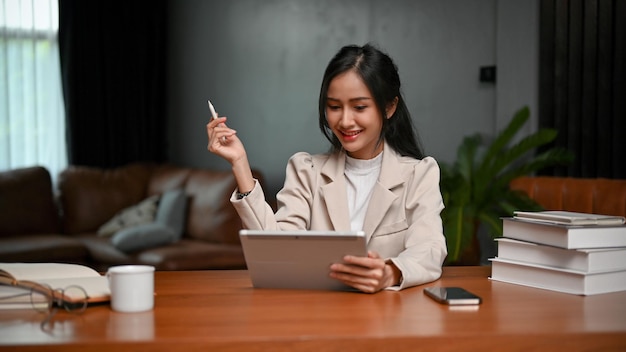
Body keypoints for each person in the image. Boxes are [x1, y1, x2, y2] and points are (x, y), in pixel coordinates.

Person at [206, 43, 447, 293]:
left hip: (387, 316)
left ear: (389, 107)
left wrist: (390, 272)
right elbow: (277, 251)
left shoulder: (420, 174)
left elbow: (429, 249)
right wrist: (240, 163)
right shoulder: (306, 171)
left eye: (360, 107)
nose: (344, 121)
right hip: (317, 315)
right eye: (334, 107)